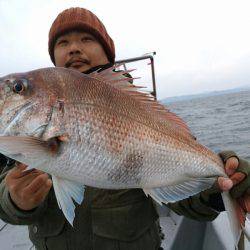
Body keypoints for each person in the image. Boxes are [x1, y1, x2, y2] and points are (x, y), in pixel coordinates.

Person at [0, 7, 250, 250]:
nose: (74, 47)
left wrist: (216, 189)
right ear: (54, 57)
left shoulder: (145, 110)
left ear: (108, 52)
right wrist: (14, 201)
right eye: (63, 42)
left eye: (86, 38)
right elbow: (4, 197)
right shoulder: (21, 137)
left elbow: (184, 194)